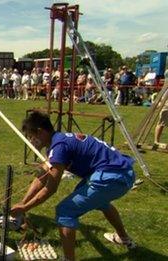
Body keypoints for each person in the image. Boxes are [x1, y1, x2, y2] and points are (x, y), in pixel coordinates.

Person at [11, 111, 136, 261]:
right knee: (100, 201)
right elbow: (41, 177)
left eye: (31, 136)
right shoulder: (58, 141)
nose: (31, 141)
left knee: (65, 211)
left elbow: (50, 189)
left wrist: (25, 208)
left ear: (40, 132)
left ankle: (69, 259)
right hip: (121, 172)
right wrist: (23, 203)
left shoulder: (59, 148)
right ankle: (123, 238)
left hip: (114, 176)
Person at [154, 69, 168, 149]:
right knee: (161, 122)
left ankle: (156, 141)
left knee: (161, 123)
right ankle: (156, 141)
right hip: (166, 102)